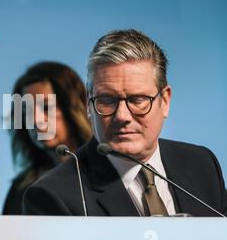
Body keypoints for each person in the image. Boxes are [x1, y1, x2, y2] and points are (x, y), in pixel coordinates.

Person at [23, 29, 227, 216]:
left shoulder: (202, 165)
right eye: (106, 100)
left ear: (165, 101)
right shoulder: (52, 196)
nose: (122, 116)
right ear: (88, 104)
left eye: (137, 100)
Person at [3, 62, 92, 215]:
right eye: (27, 110)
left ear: (73, 108)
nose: (36, 120)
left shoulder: (112, 171)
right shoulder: (21, 189)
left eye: (46, 107)